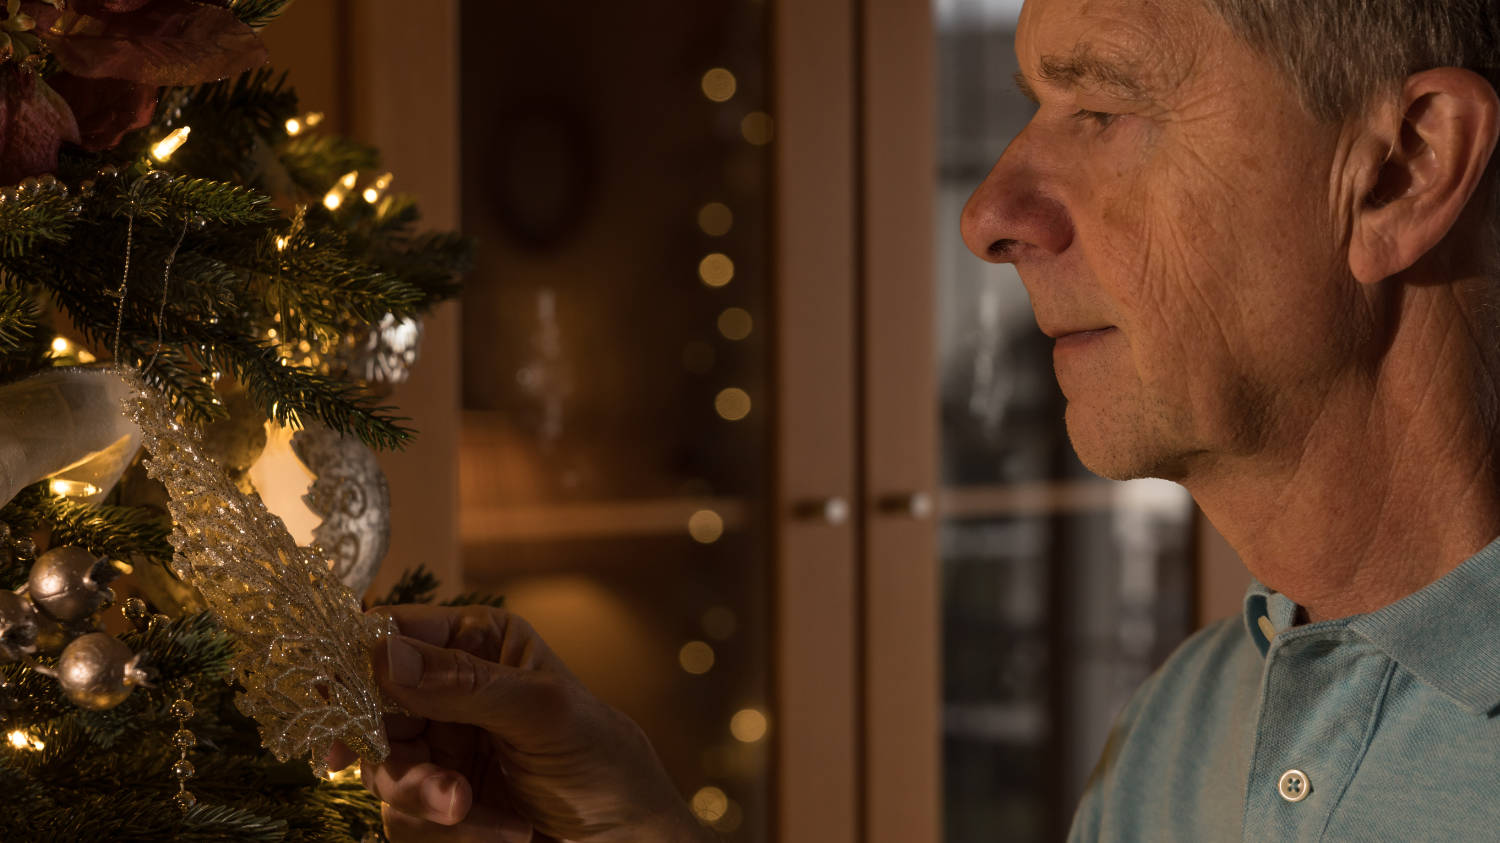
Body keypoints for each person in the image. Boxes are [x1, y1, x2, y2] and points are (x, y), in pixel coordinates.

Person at [348, 0, 1500, 838]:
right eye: (1039, 106)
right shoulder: (1185, 731)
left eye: (1103, 108)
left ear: (1404, 168)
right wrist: (627, 827)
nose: (988, 215)